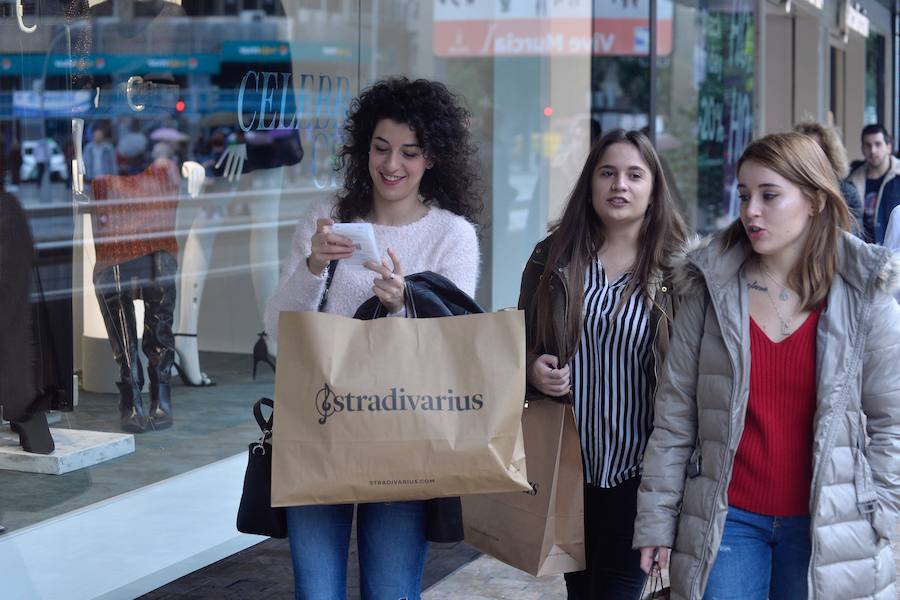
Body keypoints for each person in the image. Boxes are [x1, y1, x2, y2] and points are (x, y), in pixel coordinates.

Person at [634, 132, 900, 599]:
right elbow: (675, 418)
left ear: (815, 200)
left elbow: (892, 421)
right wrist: (657, 520)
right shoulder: (710, 288)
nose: (750, 210)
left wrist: (883, 514)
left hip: (830, 526)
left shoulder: (865, 294)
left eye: (769, 195)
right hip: (728, 521)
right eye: (743, 195)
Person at [263, 77, 482, 600]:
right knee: (316, 592)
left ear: (432, 158)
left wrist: (402, 303)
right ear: (364, 148)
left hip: (401, 430)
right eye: (381, 149)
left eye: (410, 152)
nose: (392, 165)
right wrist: (315, 265)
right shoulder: (326, 218)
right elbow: (277, 329)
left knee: (390, 591)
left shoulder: (452, 234)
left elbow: (454, 346)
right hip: (319, 424)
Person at [518, 129, 688, 600]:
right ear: (590, 185)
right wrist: (533, 369)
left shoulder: (679, 274)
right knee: (580, 592)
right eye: (607, 173)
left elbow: (693, 381)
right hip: (568, 467)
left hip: (639, 474)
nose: (620, 185)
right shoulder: (551, 259)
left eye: (635, 175)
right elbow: (515, 345)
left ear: (653, 190)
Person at [793, 120, 862, 234]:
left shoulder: (848, 193)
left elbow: (851, 243)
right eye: (803, 150)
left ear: (830, 155)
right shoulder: (789, 189)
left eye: (817, 150)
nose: (809, 157)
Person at [846, 123, 900, 244]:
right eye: (868, 145)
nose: (873, 150)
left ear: (889, 147)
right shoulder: (852, 181)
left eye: (878, 144)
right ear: (862, 148)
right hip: (865, 253)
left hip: (896, 253)